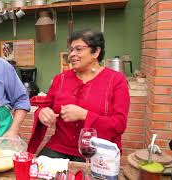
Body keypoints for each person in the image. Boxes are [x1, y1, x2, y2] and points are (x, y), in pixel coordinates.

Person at [27, 29, 130, 162]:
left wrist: (84, 115)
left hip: (97, 149)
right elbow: (45, 107)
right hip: (60, 147)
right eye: (71, 50)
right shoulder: (60, 79)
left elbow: (119, 124)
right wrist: (42, 113)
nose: (72, 54)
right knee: (36, 171)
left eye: (78, 49)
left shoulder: (116, 80)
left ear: (96, 52)